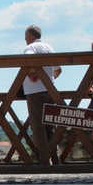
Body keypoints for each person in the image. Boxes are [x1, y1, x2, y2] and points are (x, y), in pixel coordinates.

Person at [21, 25, 64, 161]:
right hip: (50, 91)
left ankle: (44, 160)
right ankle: (55, 158)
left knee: (38, 127)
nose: (25, 40)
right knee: (50, 126)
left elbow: (27, 60)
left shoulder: (30, 48)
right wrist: (47, 80)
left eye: (25, 37)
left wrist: (31, 74)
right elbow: (58, 70)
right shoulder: (49, 48)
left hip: (35, 91)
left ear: (31, 36)